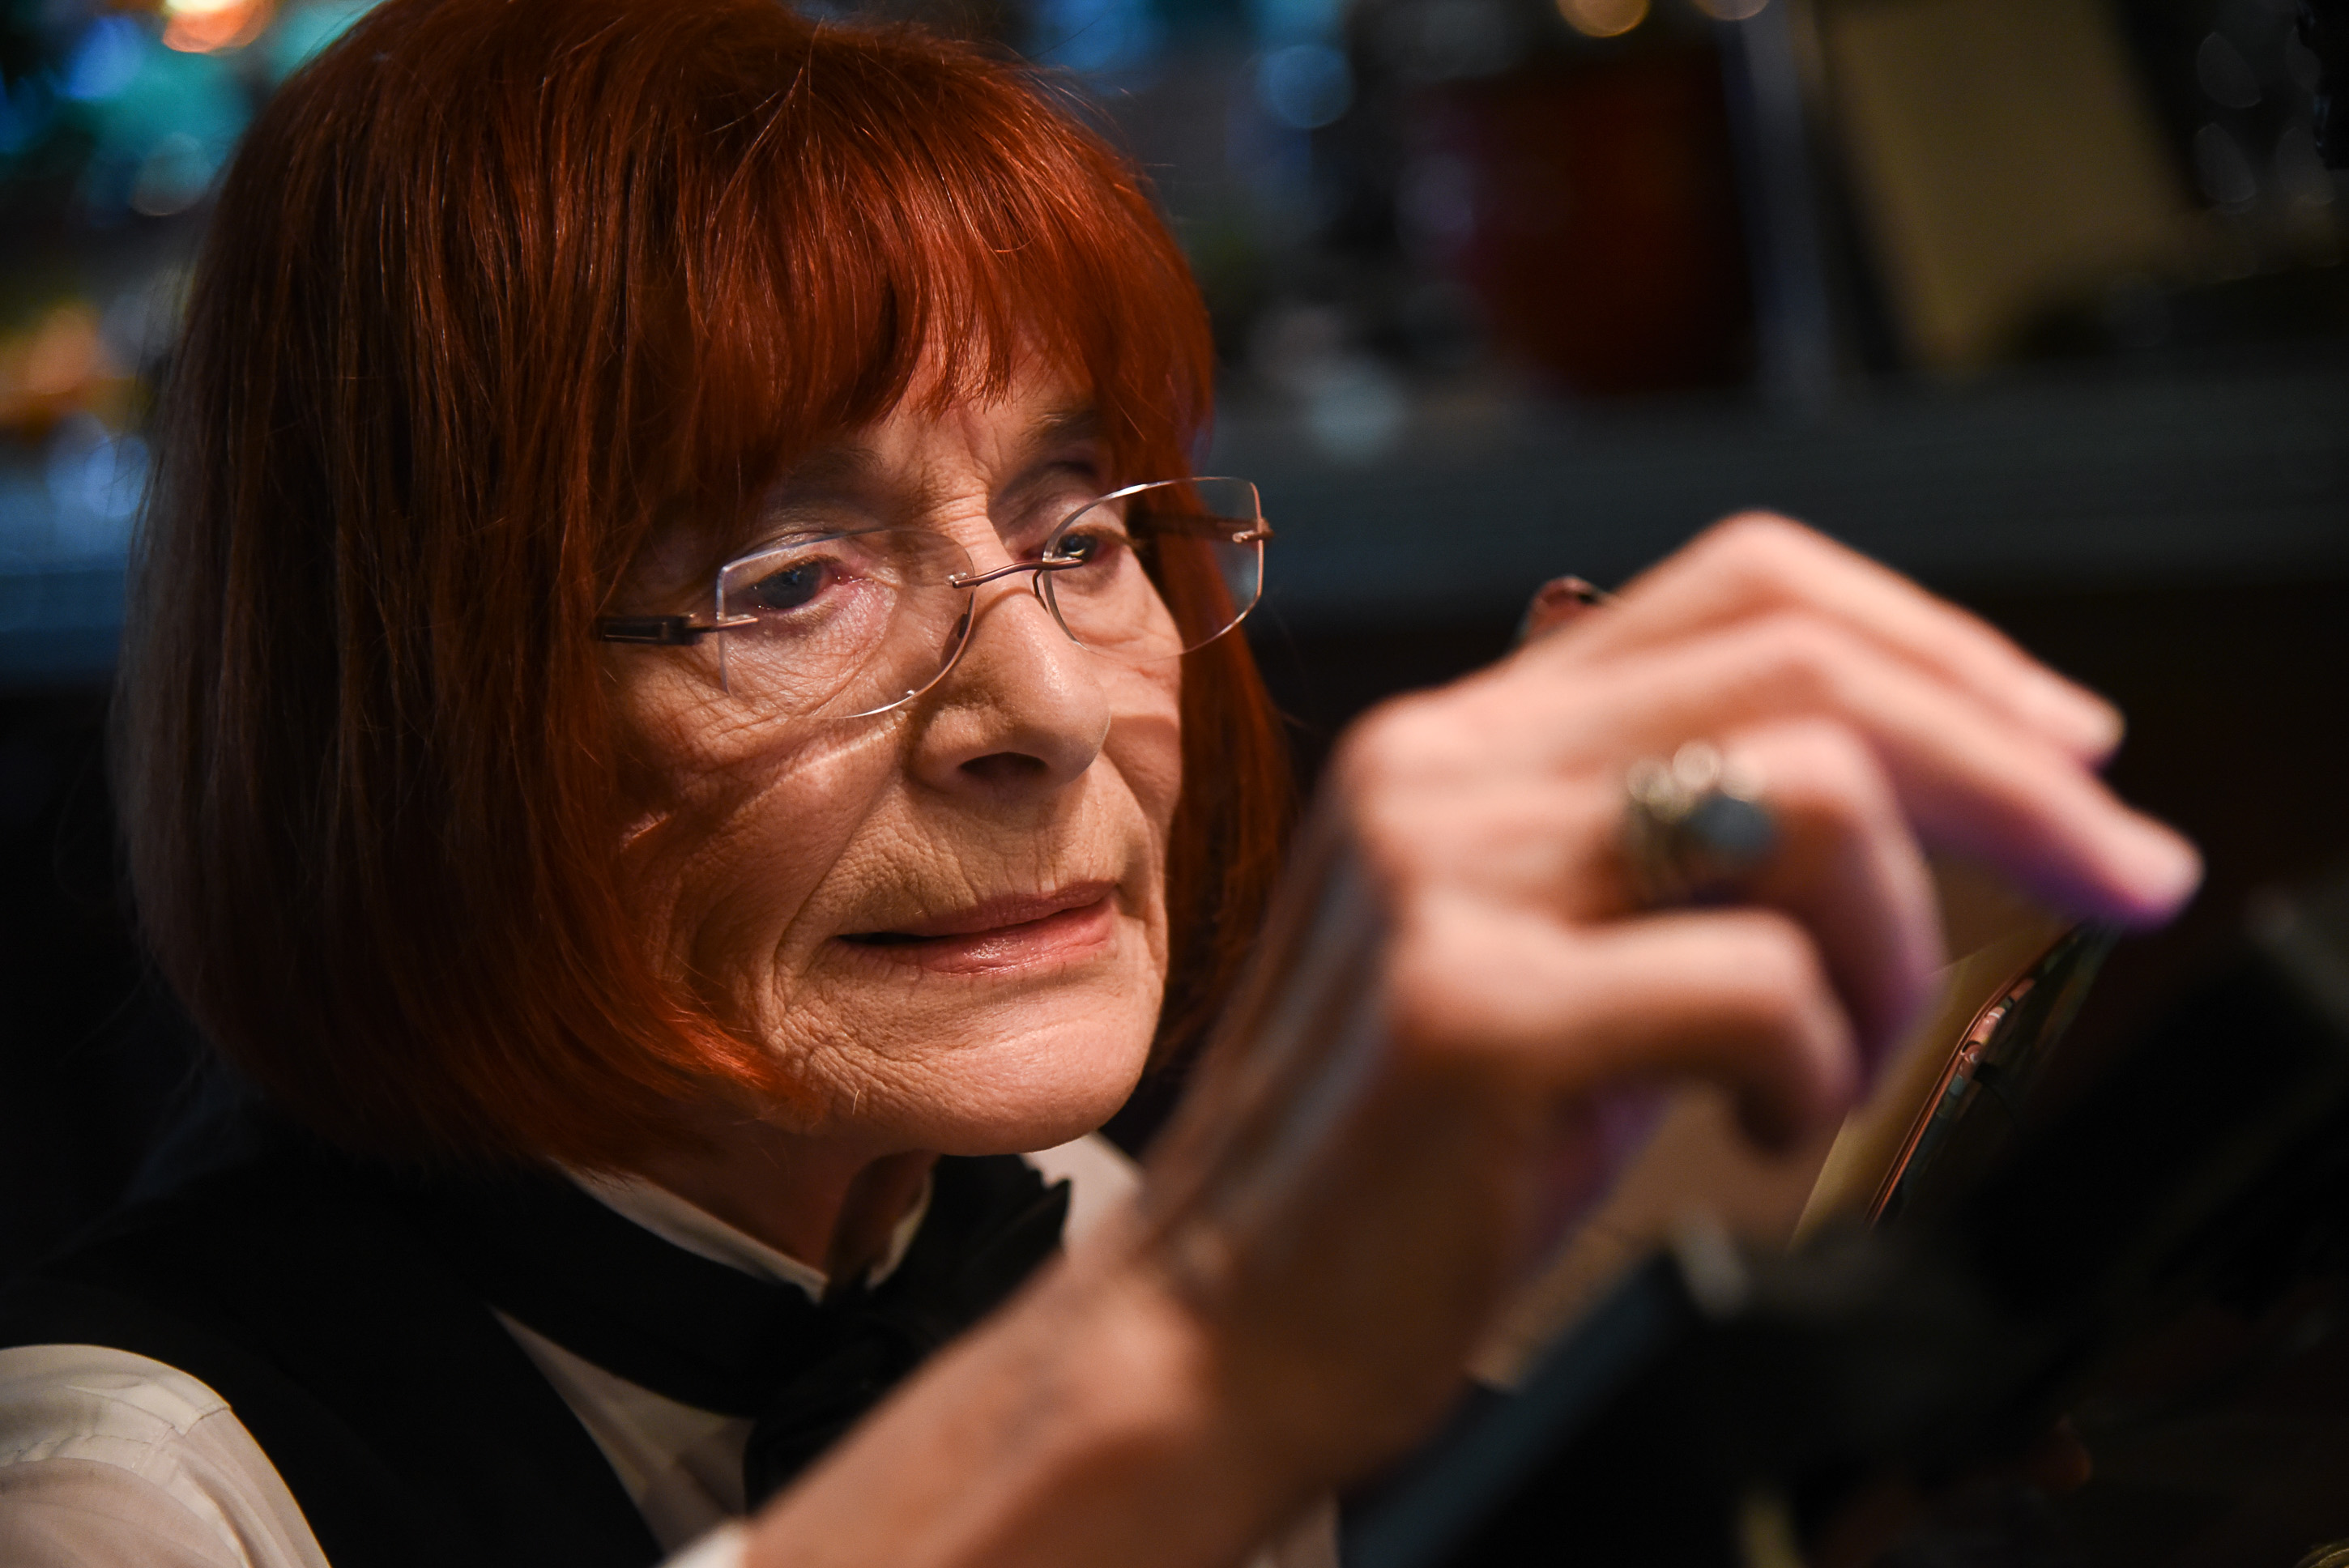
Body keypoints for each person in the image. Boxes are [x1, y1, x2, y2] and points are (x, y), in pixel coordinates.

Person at [0, 1, 2201, 1565]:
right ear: (391, 710)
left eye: (1078, 533)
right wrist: (1196, 1362)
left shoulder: (1061, 1216)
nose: (1044, 706)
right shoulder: (131, 1494)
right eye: (784, 582)